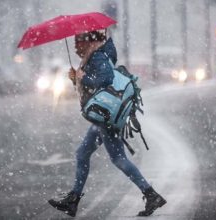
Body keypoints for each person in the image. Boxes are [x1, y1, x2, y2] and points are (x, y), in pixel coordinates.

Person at [48, 30, 166, 217]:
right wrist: (76, 79)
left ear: (88, 42)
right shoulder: (95, 55)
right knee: (82, 154)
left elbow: (105, 79)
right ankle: (73, 199)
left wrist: (81, 78)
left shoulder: (97, 56)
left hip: (106, 118)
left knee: (118, 158)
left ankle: (150, 194)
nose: (75, 46)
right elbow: (96, 85)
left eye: (78, 42)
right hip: (105, 116)